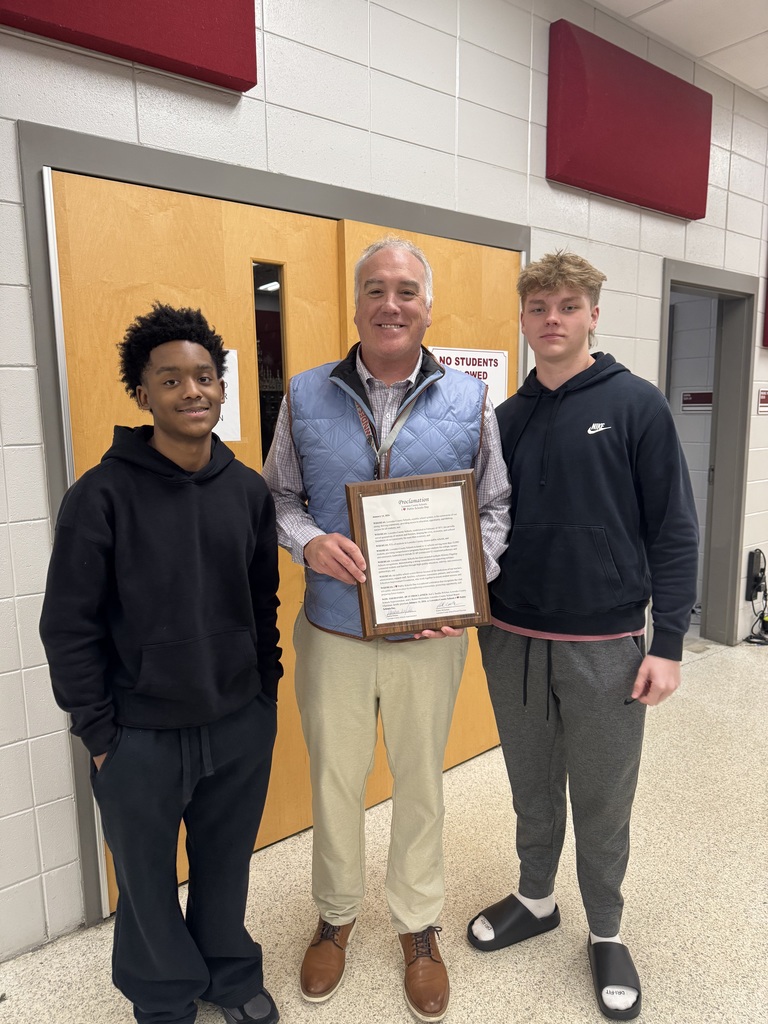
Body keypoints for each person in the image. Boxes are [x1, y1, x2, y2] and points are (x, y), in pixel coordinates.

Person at [262, 237, 510, 1022]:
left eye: (406, 290)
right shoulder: (304, 395)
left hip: (427, 636)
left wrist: (467, 581)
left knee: (420, 783)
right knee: (335, 779)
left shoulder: (470, 403)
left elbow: (497, 510)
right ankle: (336, 913)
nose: (391, 304)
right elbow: (278, 498)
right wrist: (310, 543)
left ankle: (417, 924)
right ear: (358, 303)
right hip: (333, 629)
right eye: (376, 289)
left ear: (427, 306)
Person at [467, 251, 699, 1020]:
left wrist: (667, 643)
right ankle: (537, 899)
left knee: (603, 797)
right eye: (539, 307)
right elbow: (483, 526)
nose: (553, 319)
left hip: (606, 646)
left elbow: (673, 531)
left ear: (594, 313)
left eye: (568, 305)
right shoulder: (505, 418)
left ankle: (605, 931)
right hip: (511, 636)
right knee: (532, 787)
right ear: (525, 317)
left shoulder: (637, 406)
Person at [39, 304, 283, 1024]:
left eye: (204, 376)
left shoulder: (245, 491)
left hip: (238, 722)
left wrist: (263, 695)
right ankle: (163, 996)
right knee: (146, 883)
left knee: (225, 868)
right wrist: (101, 735)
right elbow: (68, 627)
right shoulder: (100, 497)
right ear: (142, 394)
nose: (192, 391)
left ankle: (230, 977)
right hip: (139, 736)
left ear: (221, 385)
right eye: (170, 379)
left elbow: (261, 603)